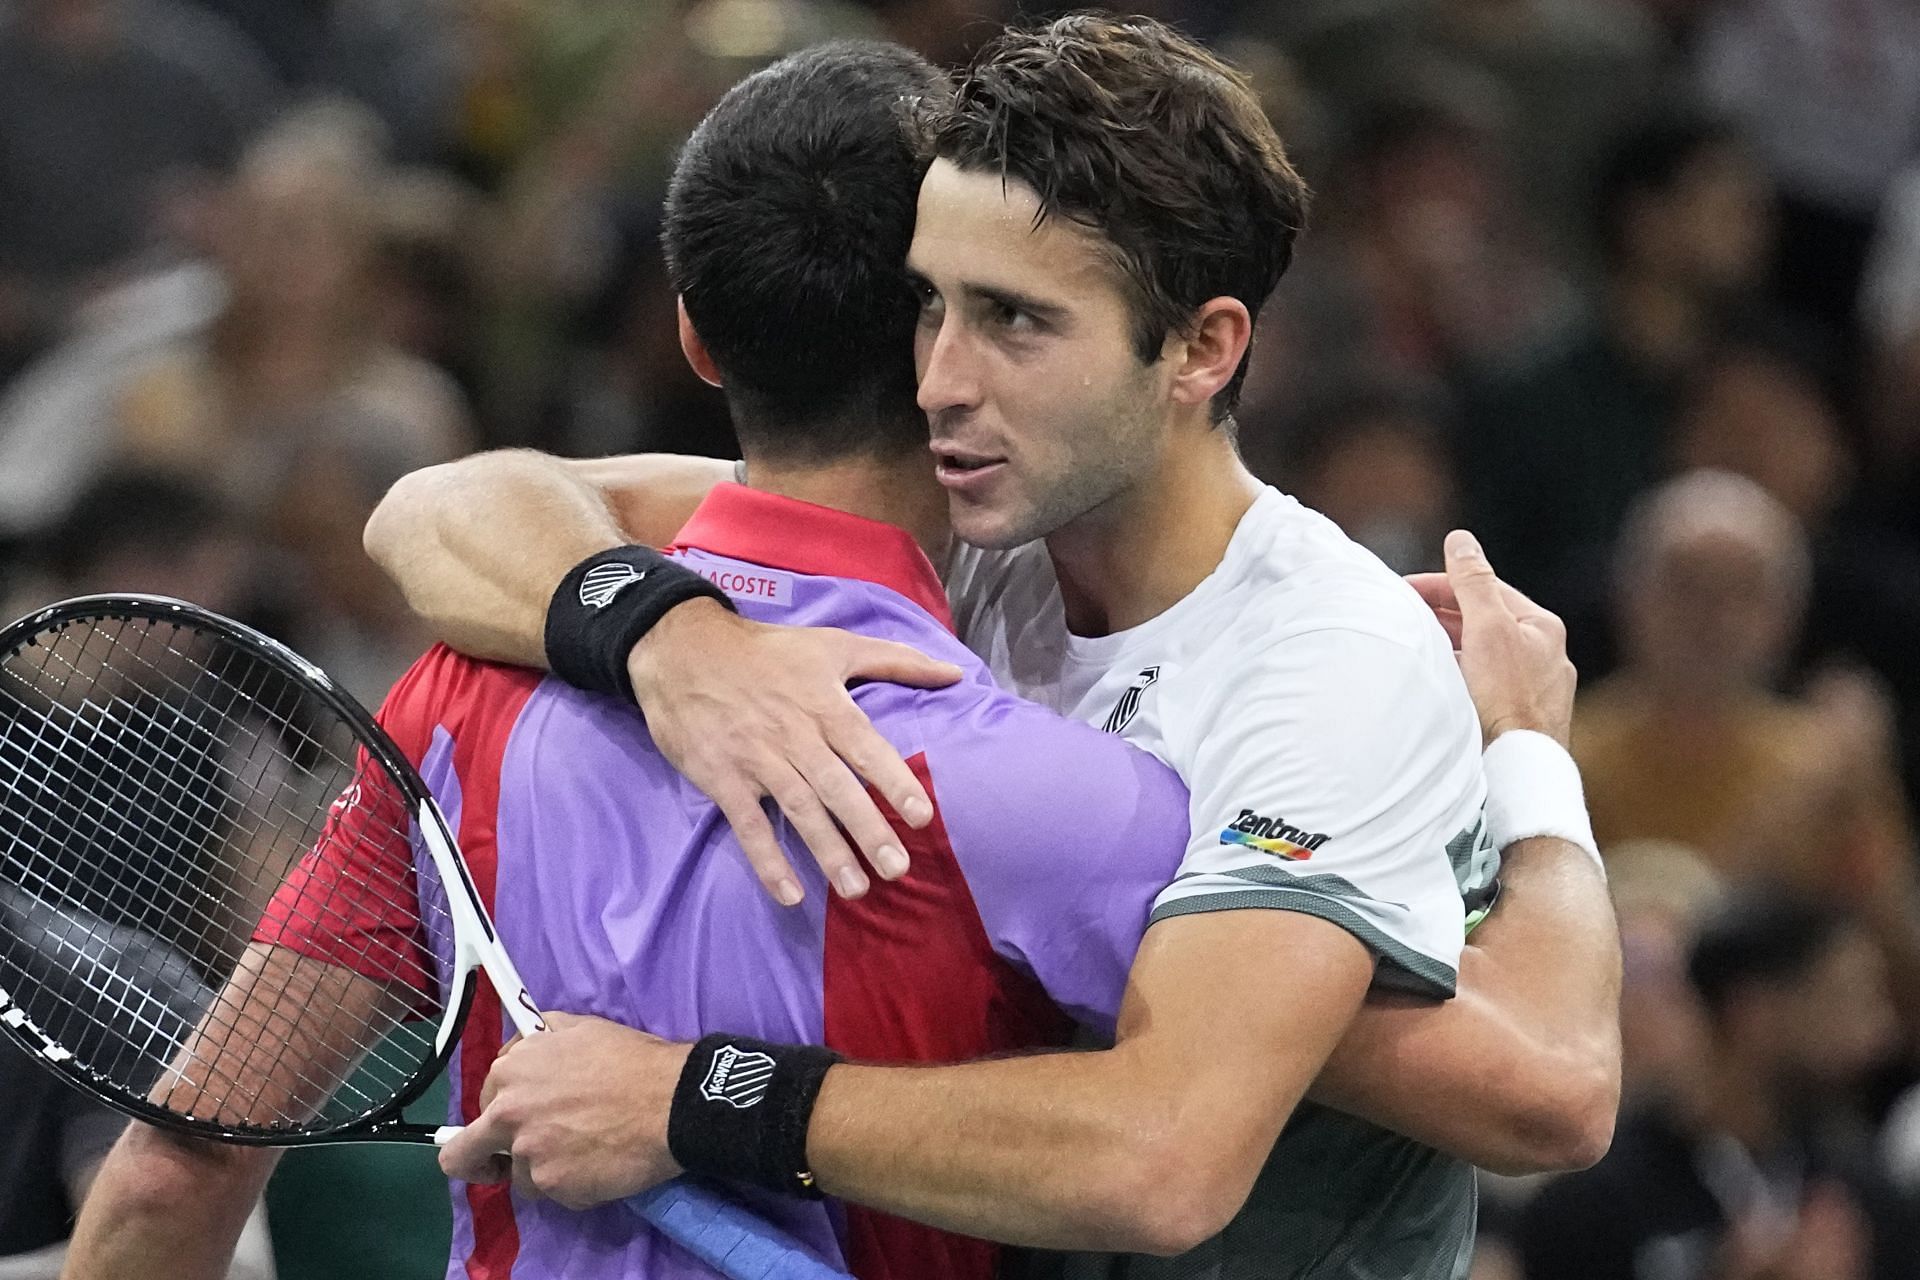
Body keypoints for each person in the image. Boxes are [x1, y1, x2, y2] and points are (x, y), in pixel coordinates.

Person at [69, 38, 1605, 1280]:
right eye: (933, 310)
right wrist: (665, 638)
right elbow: (453, 501)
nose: (948, 372)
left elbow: (1479, 1101)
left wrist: (689, 1095)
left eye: (1010, 320)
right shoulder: (1009, 577)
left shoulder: (1315, 675)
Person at [1517, 890, 1919, 1280]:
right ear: (1753, 1012)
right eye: (1848, 1002)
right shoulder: (1594, 1205)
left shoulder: (1868, 1202)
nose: (1882, 1037)